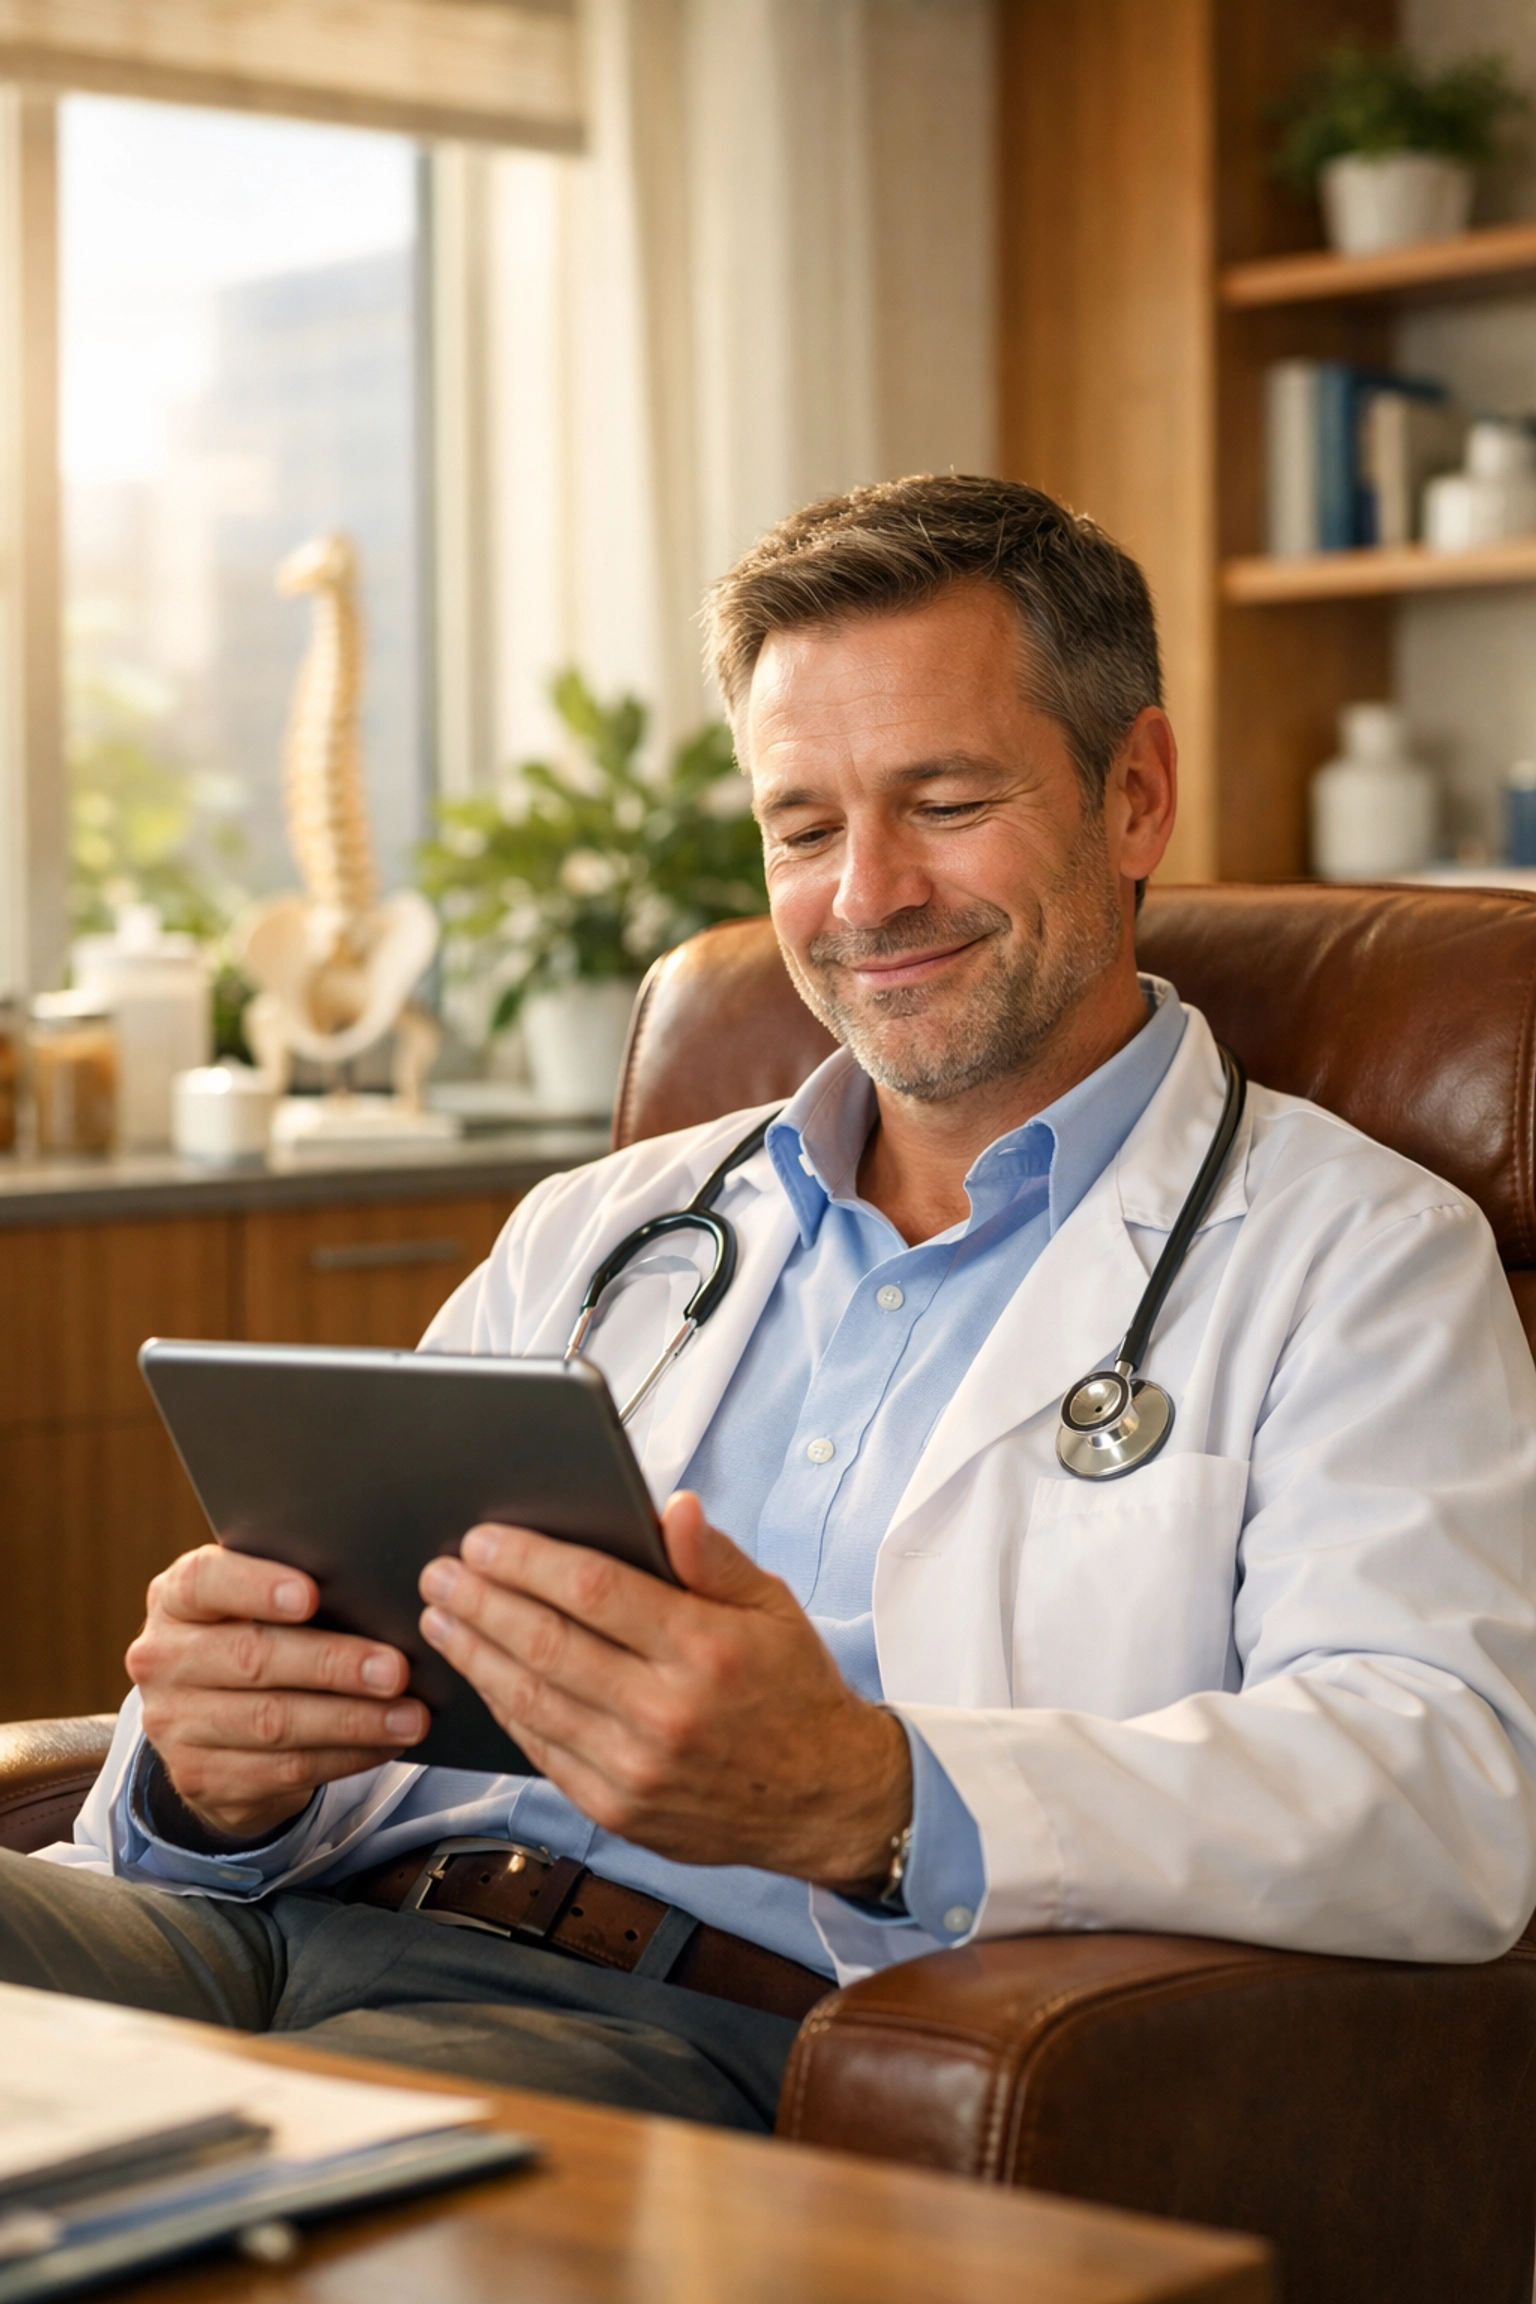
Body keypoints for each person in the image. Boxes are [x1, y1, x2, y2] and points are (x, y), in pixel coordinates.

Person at [5, 475, 1536, 2137]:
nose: (866, 895)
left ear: (1136, 795)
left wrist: (878, 1796)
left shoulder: (1359, 1257)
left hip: (690, 2038)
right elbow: (330, 1670)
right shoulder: (605, 1225)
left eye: (944, 801)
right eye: (803, 828)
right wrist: (211, 1778)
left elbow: (1444, 1786)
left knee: (252, 2202)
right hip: (257, 1931)